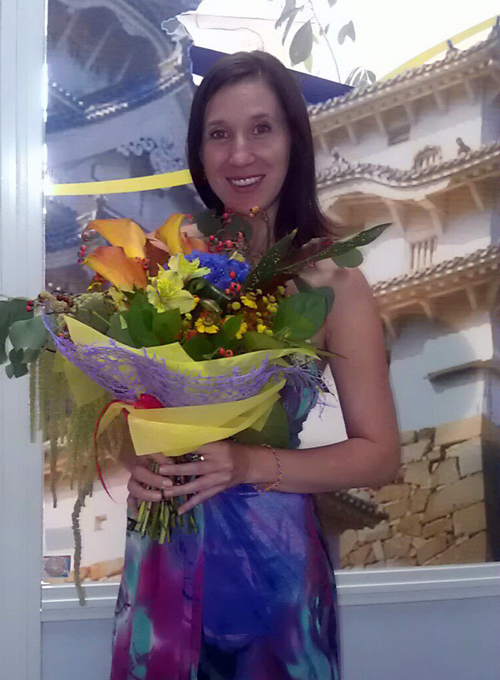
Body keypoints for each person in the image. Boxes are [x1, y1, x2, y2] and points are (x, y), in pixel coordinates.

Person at [113, 50, 400, 680]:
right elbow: (133, 412)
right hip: (161, 559)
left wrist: (246, 464)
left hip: (272, 575)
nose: (239, 154)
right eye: (219, 134)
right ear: (199, 150)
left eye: (261, 129)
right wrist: (139, 462)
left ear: (294, 140)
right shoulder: (166, 269)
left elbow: (380, 456)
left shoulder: (334, 282)